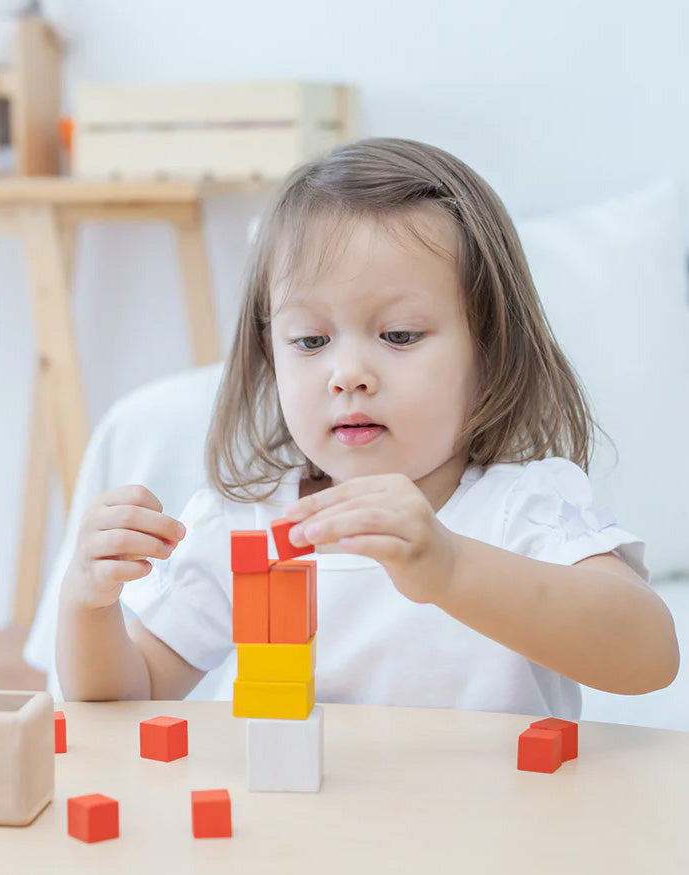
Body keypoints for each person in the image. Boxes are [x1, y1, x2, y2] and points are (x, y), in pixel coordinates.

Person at [56, 137, 679, 718]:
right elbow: (127, 698)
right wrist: (87, 604)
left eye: (400, 335)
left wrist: (452, 569)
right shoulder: (241, 527)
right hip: (299, 836)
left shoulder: (521, 509)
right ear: (270, 355)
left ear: (488, 349)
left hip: (489, 834)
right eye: (311, 340)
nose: (347, 373)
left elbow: (648, 657)